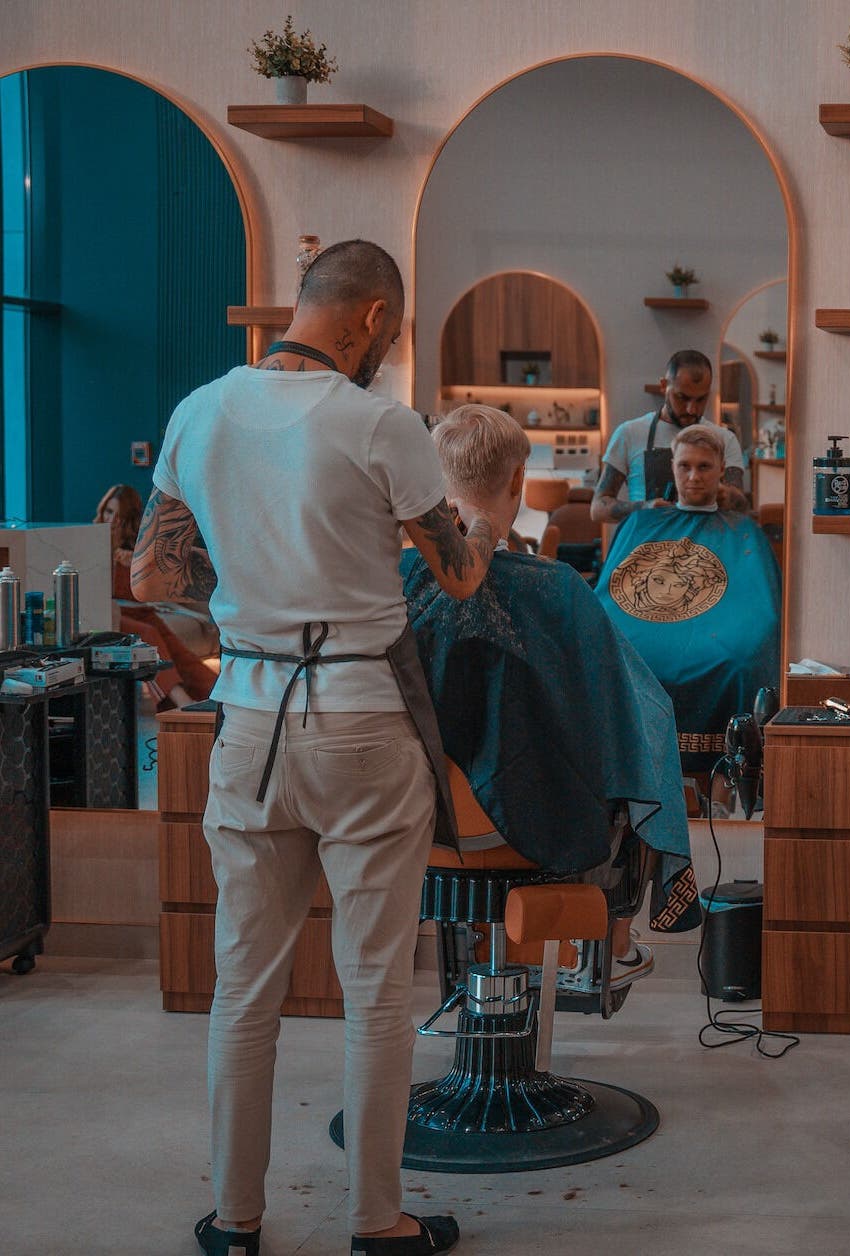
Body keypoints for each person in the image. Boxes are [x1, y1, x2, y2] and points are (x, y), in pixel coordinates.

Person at [134, 239, 498, 1256]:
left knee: (244, 984)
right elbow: (459, 576)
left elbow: (155, 576)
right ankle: (377, 1221)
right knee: (374, 986)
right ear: (372, 316)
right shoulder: (380, 422)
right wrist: (474, 524)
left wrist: (259, 580)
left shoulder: (198, 412)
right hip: (360, 719)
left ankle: (234, 1220)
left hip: (248, 719)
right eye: (395, 329)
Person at [402, 404, 700, 991]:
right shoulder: (556, 588)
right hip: (536, 826)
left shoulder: (393, 579)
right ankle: (616, 943)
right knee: (642, 741)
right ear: (518, 478)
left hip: (415, 822)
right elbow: (637, 708)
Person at [595, 423, 780, 786]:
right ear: (673, 467)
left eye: (704, 467)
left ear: (721, 470)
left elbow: (760, 609)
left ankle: (727, 780)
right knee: (601, 650)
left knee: (740, 661)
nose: (693, 477)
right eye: (685, 466)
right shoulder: (640, 522)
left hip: (717, 635)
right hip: (641, 631)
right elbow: (610, 596)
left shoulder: (743, 530)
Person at [96, 483, 217, 706]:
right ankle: (180, 700)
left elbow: (145, 592)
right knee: (148, 633)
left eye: (120, 516)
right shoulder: (92, 544)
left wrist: (133, 563)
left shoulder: (136, 551)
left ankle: (213, 694)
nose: (112, 520)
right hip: (108, 614)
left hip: (138, 610)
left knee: (169, 640)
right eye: (109, 512)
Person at [592, 349, 749, 520]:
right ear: (664, 386)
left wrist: (726, 495)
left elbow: (741, 505)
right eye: (682, 398)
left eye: (701, 399)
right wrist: (644, 508)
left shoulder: (725, 439)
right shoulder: (629, 434)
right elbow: (598, 509)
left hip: (707, 536)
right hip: (648, 534)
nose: (692, 409)